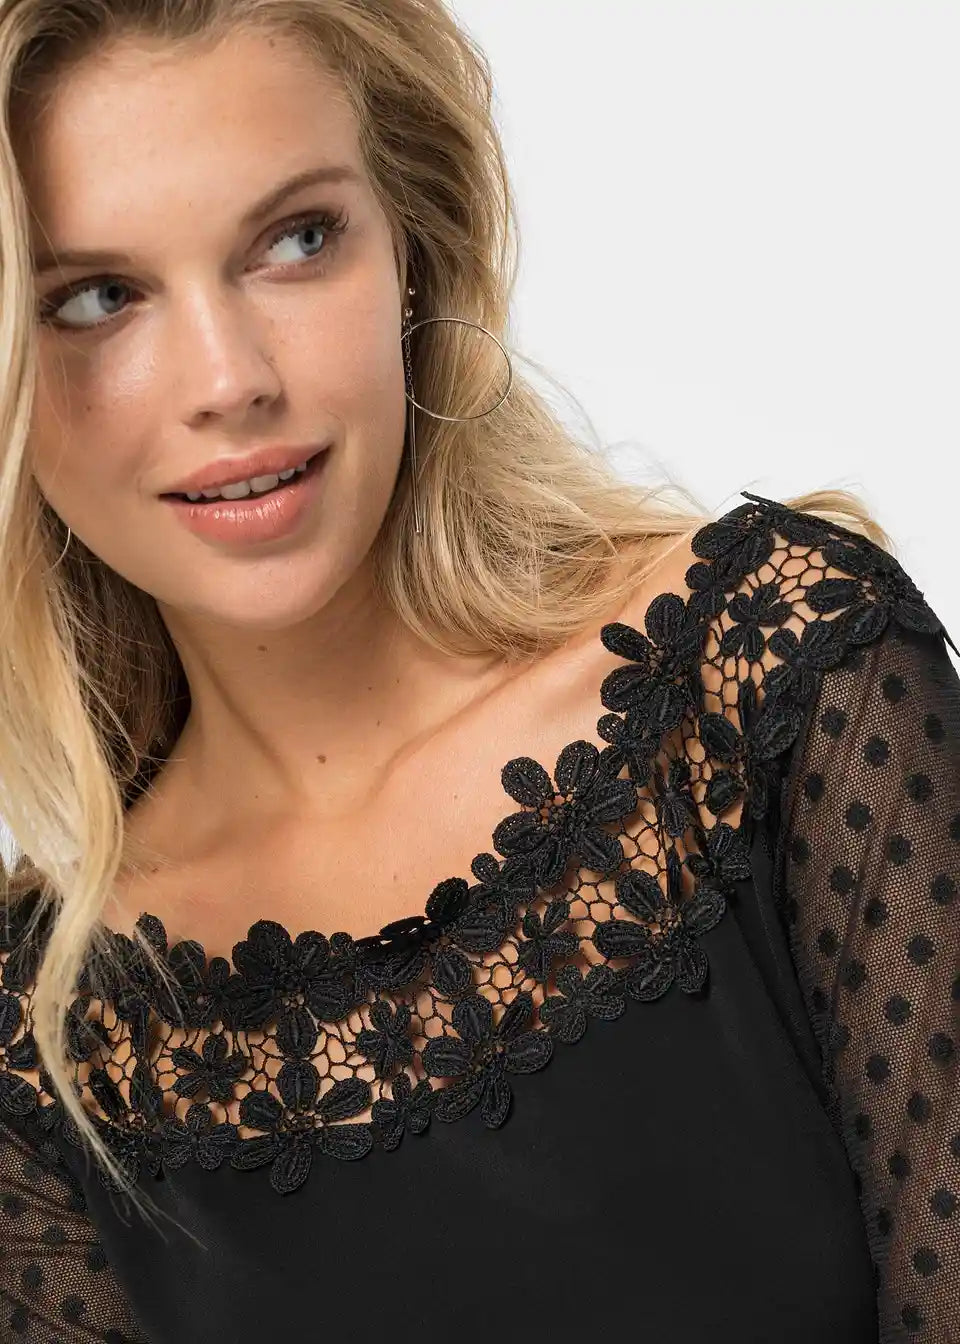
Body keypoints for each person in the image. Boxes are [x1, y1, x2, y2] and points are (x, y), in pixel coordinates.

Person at [0, 1, 955, 1341]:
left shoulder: (771, 680)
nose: (228, 381)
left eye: (296, 239)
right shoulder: (48, 1055)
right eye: (97, 298)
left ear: (414, 248)